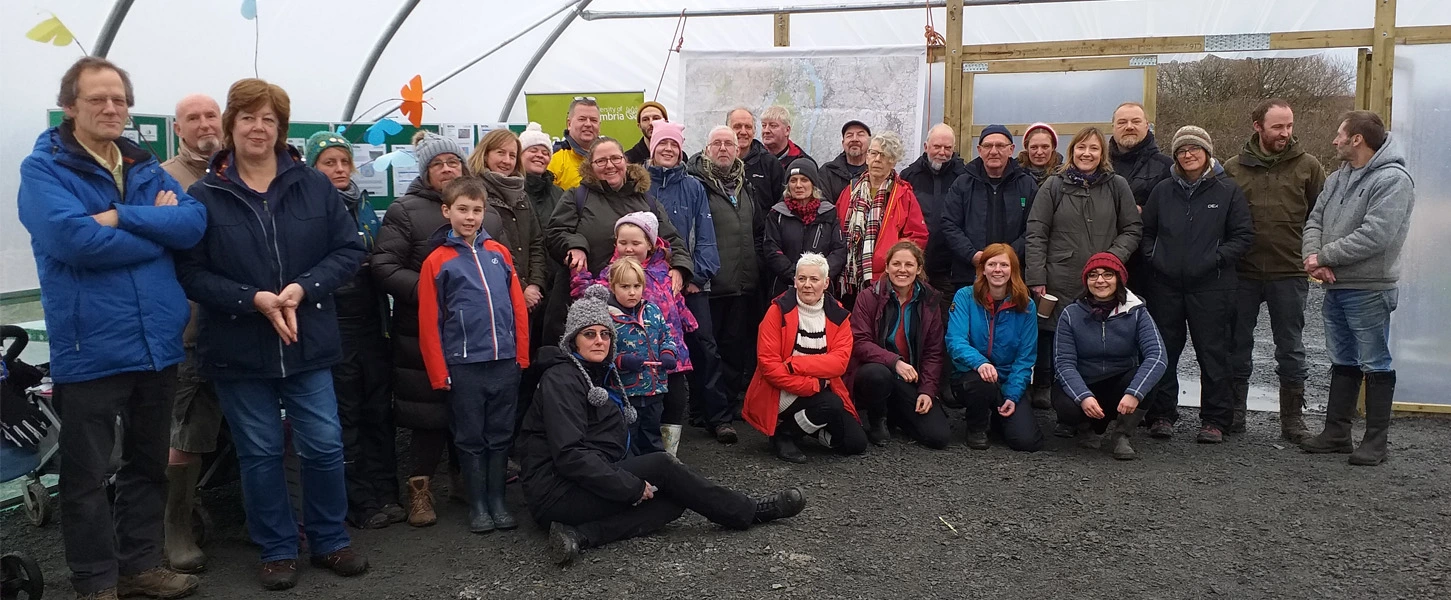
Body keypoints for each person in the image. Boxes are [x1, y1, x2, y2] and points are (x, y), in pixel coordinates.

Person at [18, 56, 205, 600]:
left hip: (157, 344)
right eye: (97, 98)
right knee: (86, 479)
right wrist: (157, 228)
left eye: (119, 99)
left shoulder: (143, 166)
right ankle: (96, 582)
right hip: (91, 346)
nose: (110, 108)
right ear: (70, 106)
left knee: (147, 465)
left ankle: (139, 566)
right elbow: (74, 241)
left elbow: (192, 225)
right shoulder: (44, 169)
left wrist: (121, 216)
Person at [179, 78, 368, 590]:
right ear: (230, 126)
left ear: (281, 128)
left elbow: (349, 252)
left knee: (324, 445)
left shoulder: (312, 186)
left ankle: (330, 539)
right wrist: (253, 300)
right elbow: (192, 273)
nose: (259, 127)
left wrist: (303, 289)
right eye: (248, 118)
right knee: (259, 451)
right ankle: (277, 549)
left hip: (306, 341)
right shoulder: (205, 194)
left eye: (269, 119)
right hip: (239, 345)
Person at [519, 284, 806, 566]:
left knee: (674, 500)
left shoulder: (596, 373)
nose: (599, 341)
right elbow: (570, 455)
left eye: (606, 334)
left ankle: (581, 535)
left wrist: (628, 481)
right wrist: (628, 487)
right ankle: (750, 510)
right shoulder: (562, 379)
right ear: (573, 340)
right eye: (590, 334)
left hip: (579, 484)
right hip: (556, 491)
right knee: (662, 466)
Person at [1299, 111, 1414, 466]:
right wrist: (1313, 256)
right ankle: (1337, 433)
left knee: (1374, 361)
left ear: (1357, 140)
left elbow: (1377, 234)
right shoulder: (1337, 178)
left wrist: (1323, 257)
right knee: (1343, 358)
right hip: (1336, 285)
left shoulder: (1394, 180)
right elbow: (1314, 219)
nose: (1335, 140)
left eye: (1340, 135)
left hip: (1369, 287)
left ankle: (1376, 442)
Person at [417, 176, 529, 533]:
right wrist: (438, 372)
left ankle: (498, 500)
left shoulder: (499, 254)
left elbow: (517, 309)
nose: (470, 217)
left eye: (477, 210)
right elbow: (429, 321)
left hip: (504, 363)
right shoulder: (437, 261)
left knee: (500, 435)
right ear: (446, 210)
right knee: (469, 437)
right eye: (462, 209)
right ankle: (477, 504)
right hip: (464, 367)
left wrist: (520, 356)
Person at [373, 131, 471, 527]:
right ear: (425, 171)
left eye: (453, 162)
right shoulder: (405, 210)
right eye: (438, 164)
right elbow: (383, 266)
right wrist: (430, 291)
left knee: (468, 409)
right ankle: (420, 492)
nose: (447, 169)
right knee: (428, 416)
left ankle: (464, 483)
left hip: (471, 330)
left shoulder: (480, 206)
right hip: (422, 329)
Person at [305, 131, 402, 530]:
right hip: (333, 324)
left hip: (372, 321)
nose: (340, 170)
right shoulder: (308, 208)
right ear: (313, 167)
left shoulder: (363, 205)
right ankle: (358, 501)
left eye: (344, 162)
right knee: (347, 413)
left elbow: (375, 257)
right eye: (330, 163)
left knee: (379, 408)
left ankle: (387, 492)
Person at [1140, 126, 1255, 444]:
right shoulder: (1163, 191)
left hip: (1213, 285)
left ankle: (1215, 419)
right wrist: (1155, 257)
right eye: (1181, 150)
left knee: (1213, 352)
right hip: (1165, 284)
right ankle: (1162, 414)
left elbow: (1243, 237)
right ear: (1175, 156)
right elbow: (1146, 231)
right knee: (1164, 350)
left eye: (1195, 149)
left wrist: (1214, 259)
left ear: (1207, 152)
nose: (1188, 155)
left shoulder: (1228, 191)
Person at [1222, 99, 1326, 441]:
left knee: (1291, 347)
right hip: (1243, 273)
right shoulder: (1233, 168)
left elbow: (1319, 216)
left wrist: (1315, 256)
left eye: (1289, 126)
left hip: (1290, 272)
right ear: (1257, 126)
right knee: (1237, 345)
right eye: (1277, 126)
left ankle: (1292, 421)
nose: (1285, 133)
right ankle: (1235, 413)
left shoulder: (1308, 167)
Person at [1024, 126, 1141, 424]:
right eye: (1081, 148)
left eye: (1094, 149)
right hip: (1059, 274)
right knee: (1053, 332)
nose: (1086, 153)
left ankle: (1098, 398)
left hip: (1103, 277)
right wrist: (1036, 276)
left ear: (1103, 154)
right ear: (1072, 150)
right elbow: (1037, 232)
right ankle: (1046, 388)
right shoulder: (1053, 186)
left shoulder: (1117, 186)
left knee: (1097, 333)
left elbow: (1132, 228)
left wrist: (1112, 260)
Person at [569, 213, 697, 456]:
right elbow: (589, 296)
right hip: (631, 365)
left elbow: (675, 302)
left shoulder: (665, 271)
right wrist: (578, 274)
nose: (628, 249)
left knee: (674, 403)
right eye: (623, 243)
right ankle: (634, 462)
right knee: (635, 418)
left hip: (669, 352)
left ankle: (668, 457)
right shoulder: (613, 273)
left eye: (635, 243)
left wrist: (688, 324)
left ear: (650, 244)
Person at [159, 92, 224, 574]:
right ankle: (174, 526)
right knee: (188, 429)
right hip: (192, 328)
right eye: (193, 118)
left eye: (211, 116)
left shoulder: (238, 173)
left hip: (248, 323)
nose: (204, 124)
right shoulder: (163, 178)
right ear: (178, 128)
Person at [546, 137, 694, 337]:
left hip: (640, 306)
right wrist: (576, 246)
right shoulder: (577, 196)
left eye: (616, 158)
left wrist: (679, 268)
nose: (610, 165)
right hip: (588, 301)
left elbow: (672, 239)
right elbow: (555, 232)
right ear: (591, 166)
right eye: (601, 161)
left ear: (625, 161)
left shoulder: (646, 200)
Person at [645, 122, 735, 444]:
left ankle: (716, 416)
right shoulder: (641, 186)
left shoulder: (694, 187)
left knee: (704, 347)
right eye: (661, 144)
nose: (667, 149)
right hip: (649, 286)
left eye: (673, 144)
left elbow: (705, 236)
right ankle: (652, 419)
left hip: (692, 283)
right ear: (652, 147)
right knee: (652, 349)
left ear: (681, 149)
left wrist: (697, 276)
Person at [744, 253, 868, 463]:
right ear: (794, 281)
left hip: (817, 386)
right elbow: (769, 367)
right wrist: (814, 385)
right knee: (830, 404)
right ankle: (784, 434)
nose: (807, 285)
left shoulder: (839, 316)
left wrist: (794, 364)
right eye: (801, 279)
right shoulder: (777, 311)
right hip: (781, 391)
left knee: (855, 444)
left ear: (826, 282)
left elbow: (839, 363)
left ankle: (805, 426)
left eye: (814, 279)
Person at [1052, 253, 1167, 460]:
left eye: (1107, 275)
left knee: (1148, 379)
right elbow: (1063, 363)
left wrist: (1135, 392)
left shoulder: (1137, 312)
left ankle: (1122, 435)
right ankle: (1086, 428)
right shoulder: (1071, 313)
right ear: (1086, 281)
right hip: (1086, 383)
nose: (1100, 280)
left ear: (1119, 279)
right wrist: (1083, 396)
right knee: (1063, 398)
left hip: (1120, 385)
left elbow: (1157, 356)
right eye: (1093, 275)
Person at [847, 241, 951, 449]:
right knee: (877, 374)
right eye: (896, 264)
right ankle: (877, 420)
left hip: (909, 380)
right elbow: (859, 342)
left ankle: (896, 412)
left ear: (919, 269)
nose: (902, 270)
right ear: (886, 267)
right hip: (875, 373)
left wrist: (927, 390)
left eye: (909, 265)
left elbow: (933, 352)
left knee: (938, 437)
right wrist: (895, 362)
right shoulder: (869, 296)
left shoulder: (930, 301)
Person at [688, 126, 764, 404]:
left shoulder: (746, 186)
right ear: (707, 149)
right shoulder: (697, 184)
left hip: (742, 284)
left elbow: (755, 231)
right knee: (707, 349)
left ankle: (729, 405)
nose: (723, 149)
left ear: (738, 150)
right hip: (711, 284)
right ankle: (704, 407)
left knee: (735, 349)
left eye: (728, 144)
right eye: (717, 144)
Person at [947, 243, 1044, 452]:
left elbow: (1026, 357)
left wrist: (1013, 394)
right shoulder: (965, 296)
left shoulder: (1026, 305)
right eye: (991, 264)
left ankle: (999, 414)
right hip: (971, 376)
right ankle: (976, 427)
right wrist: (980, 362)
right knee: (981, 384)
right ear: (982, 269)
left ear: (1013, 270)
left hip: (1008, 378)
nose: (997, 270)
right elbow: (955, 341)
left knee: (1026, 441)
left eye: (1004, 265)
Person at [941, 124, 1036, 291]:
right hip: (968, 275)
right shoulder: (963, 183)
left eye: (1000, 145)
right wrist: (972, 255)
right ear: (979, 150)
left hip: (1013, 275)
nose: (993, 151)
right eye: (987, 146)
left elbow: (1034, 228)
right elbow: (949, 224)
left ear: (1011, 149)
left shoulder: (1026, 184)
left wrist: (1008, 257)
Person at [839, 131, 930, 303]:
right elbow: (837, 228)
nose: (877, 159)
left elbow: (917, 236)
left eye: (884, 155)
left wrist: (893, 261)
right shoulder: (850, 191)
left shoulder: (903, 195)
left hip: (886, 279)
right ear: (867, 157)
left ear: (893, 161)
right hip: (848, 278)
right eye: (873, 153)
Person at [601, 257, 679, 455]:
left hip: (655, 390)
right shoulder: (606, 316)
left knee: (653, 436)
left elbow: (667, 336)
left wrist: (668, 353)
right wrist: (620, 360)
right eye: (625, 286)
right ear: (612, 286)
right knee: (627, 439)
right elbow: (600, 352)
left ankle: (657, 476)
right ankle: (632, 480)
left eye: (637, 286)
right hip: (625, 394)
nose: (632, 292)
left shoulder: (652, 310)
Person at [467, 129, 547, 315]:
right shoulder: (473, 194)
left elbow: (536, 243)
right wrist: (520, 288)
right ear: (485, 155)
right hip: (492, 297)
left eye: (512, 155)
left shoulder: (521, 195)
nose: (507, 160)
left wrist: (535, 285)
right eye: (500, 153)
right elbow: (487, 250)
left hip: (528, 298)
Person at [763, 158, 847, 297]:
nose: (798, 185)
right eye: (793, 180)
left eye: (804, 180)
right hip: (785, 288)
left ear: (813, 184)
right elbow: (771, 249)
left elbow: (839, 249)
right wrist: (796, 276)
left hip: (821, 290)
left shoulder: (828, 212)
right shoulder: (777, 214)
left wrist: (819, 275)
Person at [899, 123, 968, 292]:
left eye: (947, 148)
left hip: (951, 268)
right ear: (926, 146)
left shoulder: (965, 178)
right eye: (937, 146)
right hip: (914, 264)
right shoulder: (908, 176)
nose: (942, 152)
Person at [1108, 102, 1174, 208]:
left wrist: (1143, 212)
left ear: (1147, 126)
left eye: (1136, 121)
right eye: (1122, 122)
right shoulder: (1099, 165)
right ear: (1113, 127)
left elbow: (1173, 210)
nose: (1129, 127)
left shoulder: (1166, 166)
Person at [728, 106, 787, 209]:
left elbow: (781, 206)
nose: (743, 132)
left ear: (754, 131)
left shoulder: (770, 165)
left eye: (748, 127)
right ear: (727, 130)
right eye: (737, 127)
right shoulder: (717, 164)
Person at [547, 97, 601, 190]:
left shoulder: (610, 159)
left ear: (599, 126)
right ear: (569, 124)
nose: (588, 124)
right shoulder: (552, 159)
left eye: (593, 120)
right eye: (582, 119)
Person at [819, 120, 871, 206]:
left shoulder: (876, 172)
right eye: (849, 135)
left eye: (860, 134)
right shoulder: (827, 172)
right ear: (843, 143)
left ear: (869, 142)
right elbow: (823, 206)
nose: (854, 139)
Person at [760, 105, 814, 170]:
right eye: (764, 125)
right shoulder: (753, 159)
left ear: (787, 130)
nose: (766, 130)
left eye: (773, 126)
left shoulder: (804, 163)